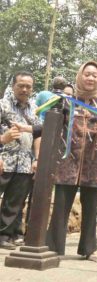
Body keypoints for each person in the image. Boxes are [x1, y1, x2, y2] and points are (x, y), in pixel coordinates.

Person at [46, 61, 97, 261]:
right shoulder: (67, 101)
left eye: (95, 75)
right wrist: (29, 129)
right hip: (67, 161)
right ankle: (53, 246)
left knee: (90, 207)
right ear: (80, 76)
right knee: (61, 204)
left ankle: (88, 249)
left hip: (95, 164)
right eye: (87, 74)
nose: (91, 78)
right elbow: (51, 123)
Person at [0, 71, 41, 249]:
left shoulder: (33, 108)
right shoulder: (2, 105)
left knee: (14, 202)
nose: (24, 89)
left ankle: (4, 236)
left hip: (24, 162)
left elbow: (38, 133)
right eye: (21, 85)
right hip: (3, 159)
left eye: (28, 86)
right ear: (13, 86)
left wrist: (37, 158)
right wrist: (3, 140)